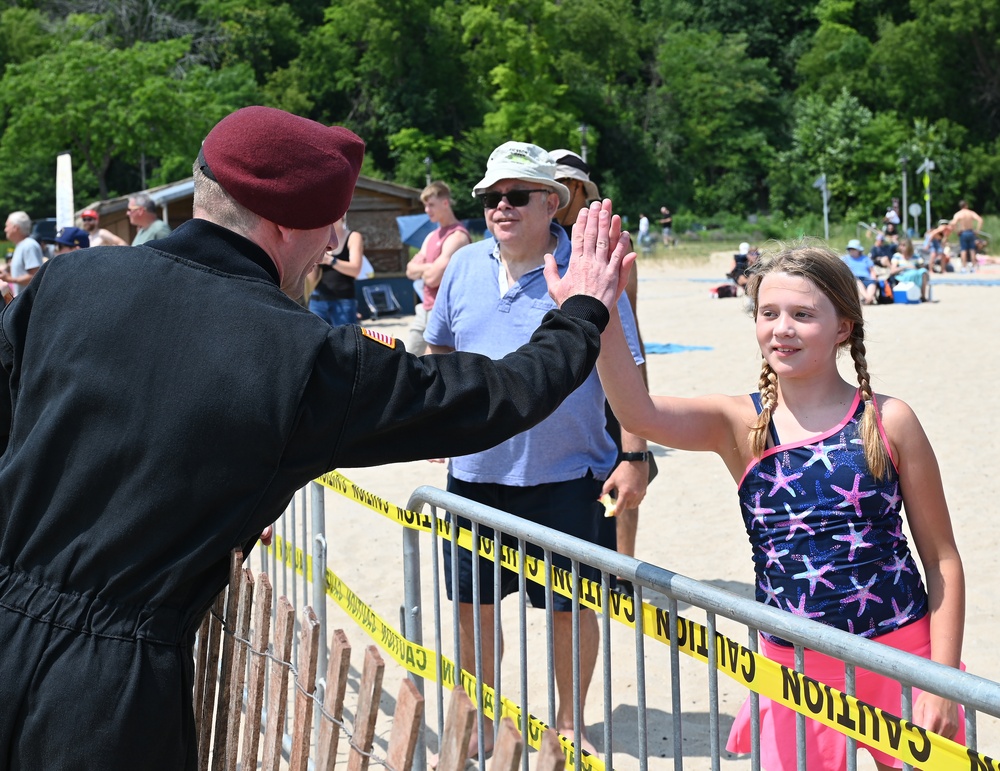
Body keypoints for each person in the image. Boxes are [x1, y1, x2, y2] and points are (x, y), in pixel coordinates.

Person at [0, 106, 634, 770]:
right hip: (103, 697)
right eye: (333, 226)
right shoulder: (303, 356)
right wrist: (583, 309)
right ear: (284, 222)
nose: (334, 242)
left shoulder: (67, 282)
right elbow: (498, 396)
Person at [590, 237, 965, 771]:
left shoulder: (889, 421)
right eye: (768, 313)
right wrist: (600, 314)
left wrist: (944, 682)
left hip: (903, 655)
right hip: (795, 670)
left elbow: (942, 557)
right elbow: (639, 411)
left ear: (843, 327)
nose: (781, 328)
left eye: (802, 314)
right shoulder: (741, 424)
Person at [424, 142, 648, 757]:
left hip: (569, 472)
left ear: (551, 203)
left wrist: (635, 456)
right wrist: (436, 422)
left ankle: (570, 721)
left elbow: (627, 367)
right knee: (473, 605)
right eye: (491, 197)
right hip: (476, 472)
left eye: (516, 195)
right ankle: (480, 714)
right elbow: (439, 350)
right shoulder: (464, 266)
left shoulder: (589, 268)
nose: (501, 206)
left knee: (569, 609)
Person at [551, 148, 655, 565]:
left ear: (576, 188)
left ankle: (624, 566)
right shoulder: (550, 238)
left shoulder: (610, 241)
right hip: (572, 372)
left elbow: (630, 329)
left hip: (610, 373)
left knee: (626, 468)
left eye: (557, 187)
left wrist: (638, 392)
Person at [404, 181, 470, 354]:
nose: (427, 210)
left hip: (443, 312)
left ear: (445, 203)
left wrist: (423, 270)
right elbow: (410, 270)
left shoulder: (458, 236)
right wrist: (431, 267)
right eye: (425, 205)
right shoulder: (432, 235)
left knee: (435, 368)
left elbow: (433, 279)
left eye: (431, 205)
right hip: (424, 308)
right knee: (407, 358)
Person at [307, 216, 365, 326]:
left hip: (343, 300)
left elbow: (355, 270)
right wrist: (312, 261)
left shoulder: (353, 236)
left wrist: (330, 260)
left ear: (342, 216)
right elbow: (312, 278)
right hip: (318, 299)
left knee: (344, 341)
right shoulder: (319, 237)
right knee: (317, 342)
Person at [1, 211, 44, 298]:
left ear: (15, 228)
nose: (5, 229)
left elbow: (34, 277)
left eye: (7, 226)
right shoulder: (22, 245)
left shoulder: (29, 245)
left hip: (29, 303)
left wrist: (9, 279)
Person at [842, 238, 879, 306]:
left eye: (853, 249)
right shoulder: (845, 259)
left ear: (858, 250)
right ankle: (869, 298)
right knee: (857, 282)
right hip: (853, 278)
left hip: (867, 278)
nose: (851, 251)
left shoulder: (865, 258)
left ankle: (867, 299)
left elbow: (872, 271)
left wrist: (874, 278)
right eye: (850, 249)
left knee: (872, 284)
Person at [950, 200, 984, 273]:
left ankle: (964, 267)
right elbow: (980, 220)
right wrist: (977, 230)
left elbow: (952, 223)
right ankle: (973, 267)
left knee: (963, 250)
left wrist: (957, 231)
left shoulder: (958, 214)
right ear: (966, 205)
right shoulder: (970, 213)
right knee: (972, 250)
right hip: (970, 232)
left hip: (963, 232)